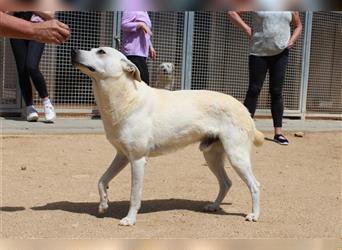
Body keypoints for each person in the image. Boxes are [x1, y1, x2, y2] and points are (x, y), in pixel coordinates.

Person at [228, 11, 302, 145]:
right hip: (258, 52)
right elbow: (232, 12)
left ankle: (278, 134)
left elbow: (298, 25)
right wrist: (247, 29)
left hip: (281, 53)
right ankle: (245, 131)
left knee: (276, 91)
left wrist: (292, 40)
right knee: (254, 90)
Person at [9, 12, 62, 122]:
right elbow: (5, 13)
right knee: (22, 69)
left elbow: (50, 15)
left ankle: (47, 103)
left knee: (31, 66)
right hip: (16, 29)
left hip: (38, 29)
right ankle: (30, 107)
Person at [121, 11, 156, 85]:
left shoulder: (145, 12)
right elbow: (124, 25)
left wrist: (150, 46)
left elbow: (145, 32)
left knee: (139, 84)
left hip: (142, 53)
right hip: (133, 52)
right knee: (143, 83)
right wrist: (140, 24)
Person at [0, 12, 70, 44]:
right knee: (21, 68)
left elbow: (50, 14)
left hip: (40, 29)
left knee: (31, 66)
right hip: (16, 31)